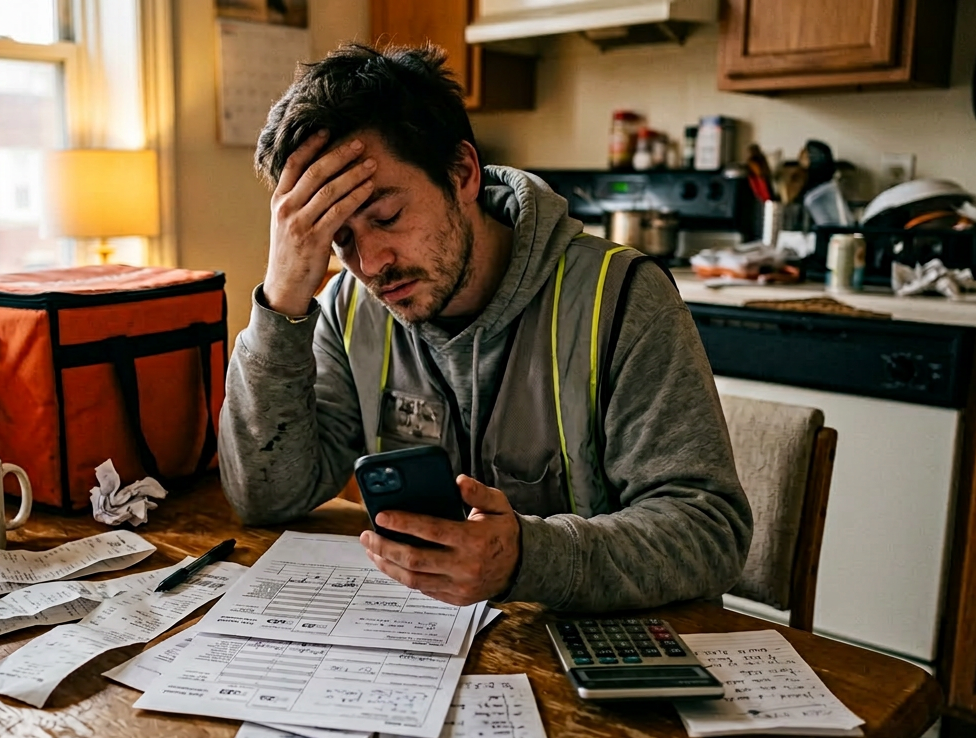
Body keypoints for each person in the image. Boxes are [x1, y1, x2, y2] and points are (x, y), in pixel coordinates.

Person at [218, 42, 751, 612]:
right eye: (339, 238)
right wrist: (282, 299)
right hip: (426, 644)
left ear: (463, 173)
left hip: (590, 645)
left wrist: (526, 558)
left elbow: (709, 530)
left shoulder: (620, 296)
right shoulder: (349, 306)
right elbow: (265, 496)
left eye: (388, 217)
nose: (371, 264)